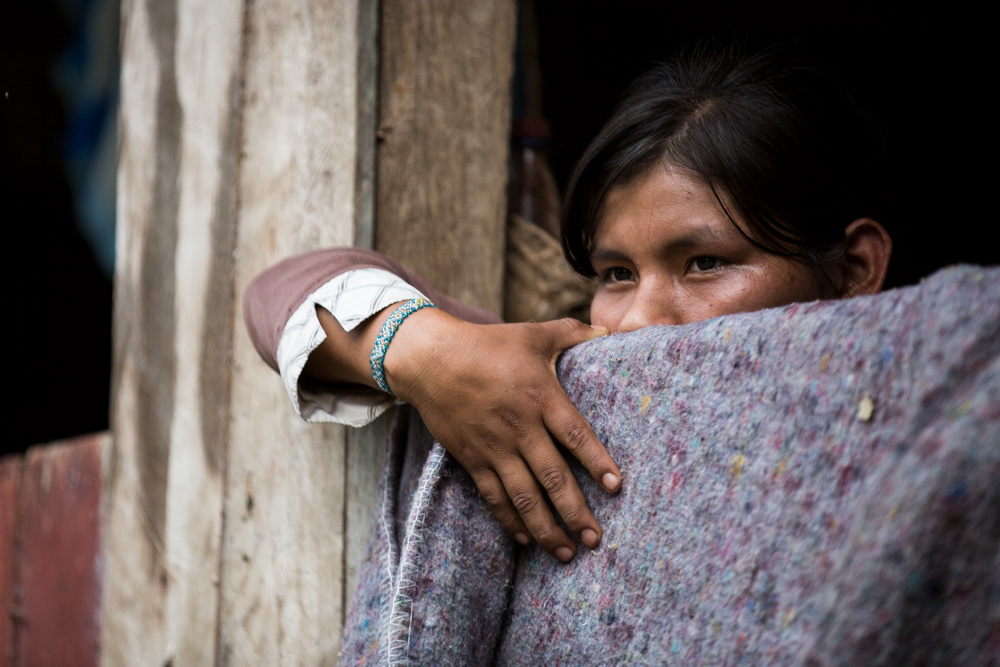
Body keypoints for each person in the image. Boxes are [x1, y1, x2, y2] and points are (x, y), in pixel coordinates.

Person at [243, 46, 892, 564]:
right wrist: (427, 352)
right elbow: (275, 294)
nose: (638, 320)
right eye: (615, 272)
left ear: (854, 270)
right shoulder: (555, 399)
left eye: (705, 263)